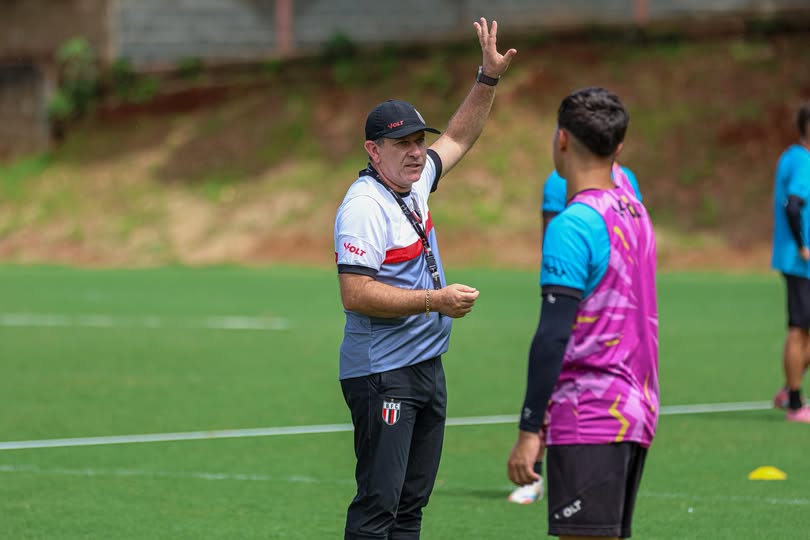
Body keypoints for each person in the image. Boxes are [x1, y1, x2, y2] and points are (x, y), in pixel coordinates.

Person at [333, 18, 516, 540]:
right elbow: (355, 293)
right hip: (383, 372)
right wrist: (434, 300)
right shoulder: (364, 207)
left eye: (418, 141)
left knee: (411, 507)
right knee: (379, 506)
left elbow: (458, 136)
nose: (416, 151)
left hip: (425, 366)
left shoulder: (412, 184)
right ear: (374, 151)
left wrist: (487, 78)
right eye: (402, 144)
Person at [506, 87, 659, 539]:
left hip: (589, 414)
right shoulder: (637, 213)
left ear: (562, 139)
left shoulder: (571, 225)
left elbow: (553, 335)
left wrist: (529, 428)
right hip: (636, 410)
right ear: (618, 147)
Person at [508, 160, 643, 505]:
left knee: (569, 377)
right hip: (576, 299)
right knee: (554, 375)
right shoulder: (559, 182)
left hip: (612, 315)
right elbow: (554, 245)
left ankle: (551, 466)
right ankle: (536, 475)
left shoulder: (626, 180)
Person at [770, 101, 810, 423]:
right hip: (801, 263)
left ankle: (788, 389)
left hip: (797, 261)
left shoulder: (792, 156)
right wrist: (803, 246)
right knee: (799, 329)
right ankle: (795, 403)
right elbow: (793, 205)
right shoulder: (803, 161)